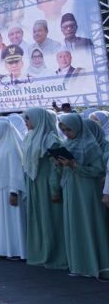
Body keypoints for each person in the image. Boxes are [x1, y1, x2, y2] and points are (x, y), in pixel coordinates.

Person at [55, 114, 109, 278]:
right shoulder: (68, 144)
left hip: (86, 190)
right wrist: (59, 164)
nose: (66, 133)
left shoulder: (91, 145)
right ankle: (79, 264)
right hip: (71, 188)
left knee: (88, 223)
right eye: (63, 130)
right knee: (75, 224)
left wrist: (75, 165)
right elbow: (64, 171)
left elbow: (99, 170)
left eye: (69, 129)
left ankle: (93, 264)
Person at [0, 119, 27, 259]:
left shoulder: (11, 148)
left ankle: (14, 250)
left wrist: (14, 192)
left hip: (8, 191)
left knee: (11, 222)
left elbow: (16, 171)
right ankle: (0, 249)